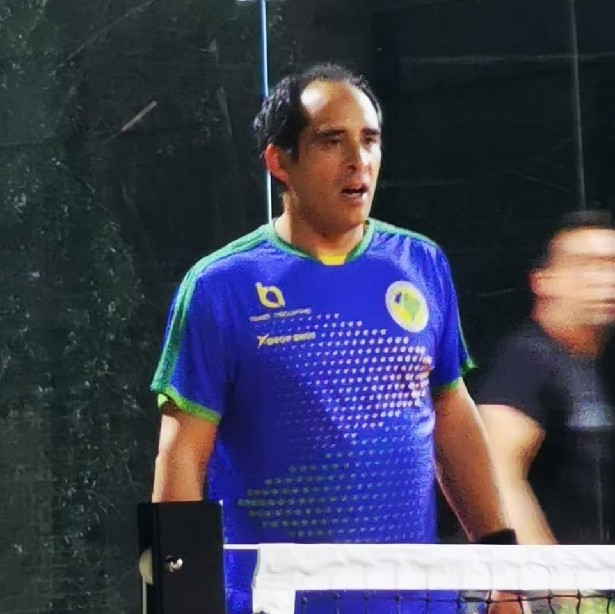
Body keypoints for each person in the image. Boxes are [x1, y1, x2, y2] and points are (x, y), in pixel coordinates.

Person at [150, 63, 513, 613]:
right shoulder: (219, 287)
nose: (357, 160)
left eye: (369, 139)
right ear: (279, 162)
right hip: (275, 600)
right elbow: (180, 458)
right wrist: (178, 604)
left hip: (417, 602)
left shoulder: (421, 264)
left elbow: (452, 415)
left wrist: (504, 569)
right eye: (330, 141)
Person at [476, 210, 615, 545]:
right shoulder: (525, 359)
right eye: (586, 265)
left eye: (611, 265)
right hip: (558, 577)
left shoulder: (596, 366)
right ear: (543, 281)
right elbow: (496, 473)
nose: (604, 279)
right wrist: (547, 572)